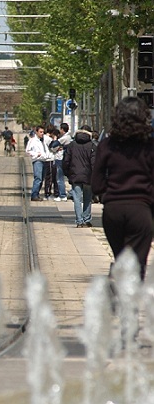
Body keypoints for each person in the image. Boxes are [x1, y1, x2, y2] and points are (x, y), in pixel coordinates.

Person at [91, 96, 154, 281]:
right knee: (138, 264)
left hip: (113, 210)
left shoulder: (107, 145)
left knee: (120, 257)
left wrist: (108, 193)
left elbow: (96, 183)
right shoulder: (149, 147)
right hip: (140, 210)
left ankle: (116, 288)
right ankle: (129, 304)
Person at [62, 125, 96, 227]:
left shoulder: (72, 145)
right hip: (88, 176)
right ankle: (86, 219)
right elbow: (94, 163)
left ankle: (79, 220)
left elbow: (66, 160)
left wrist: (67, 173)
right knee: (87, 198)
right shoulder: (92, 146)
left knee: (76, 198)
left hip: (75, 175)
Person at [25, 126, 53, 201]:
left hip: (44, 160)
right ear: (36, 132)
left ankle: (36, 194)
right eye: (40, 132)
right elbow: (28, 150)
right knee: (38, 178)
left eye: (43, 132)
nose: (42, 133)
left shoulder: (43, 140)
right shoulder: (32, 140)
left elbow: (50, 144)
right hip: (37, 161)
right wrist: (36, 154)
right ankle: (34, 195)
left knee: (41, 178)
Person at [54, 123, 72, 202]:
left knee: (59, 178)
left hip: (61, 159)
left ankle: (62, 195)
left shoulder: (64, 138)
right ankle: (69, 193)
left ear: (62, 129)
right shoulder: (69, 137)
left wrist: (55, 140)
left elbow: (53, 145)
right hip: (66, 159)